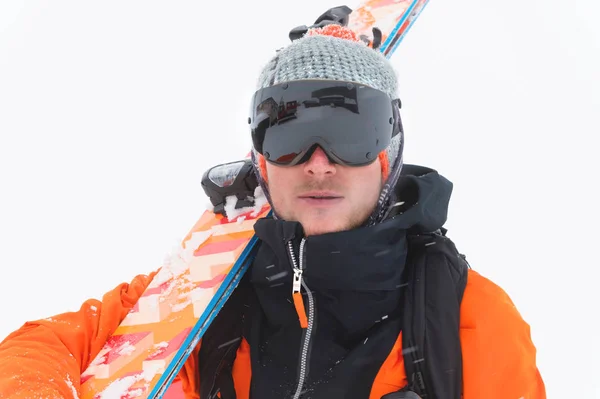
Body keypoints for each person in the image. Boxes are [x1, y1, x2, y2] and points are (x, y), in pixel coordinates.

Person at [0, 24, 545, 399]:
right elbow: (37, 347)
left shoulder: (467, 317)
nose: (318, 164)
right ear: (260, 159)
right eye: (288, 137)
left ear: (390, 155)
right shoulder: (195, 296)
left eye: (351, 135)